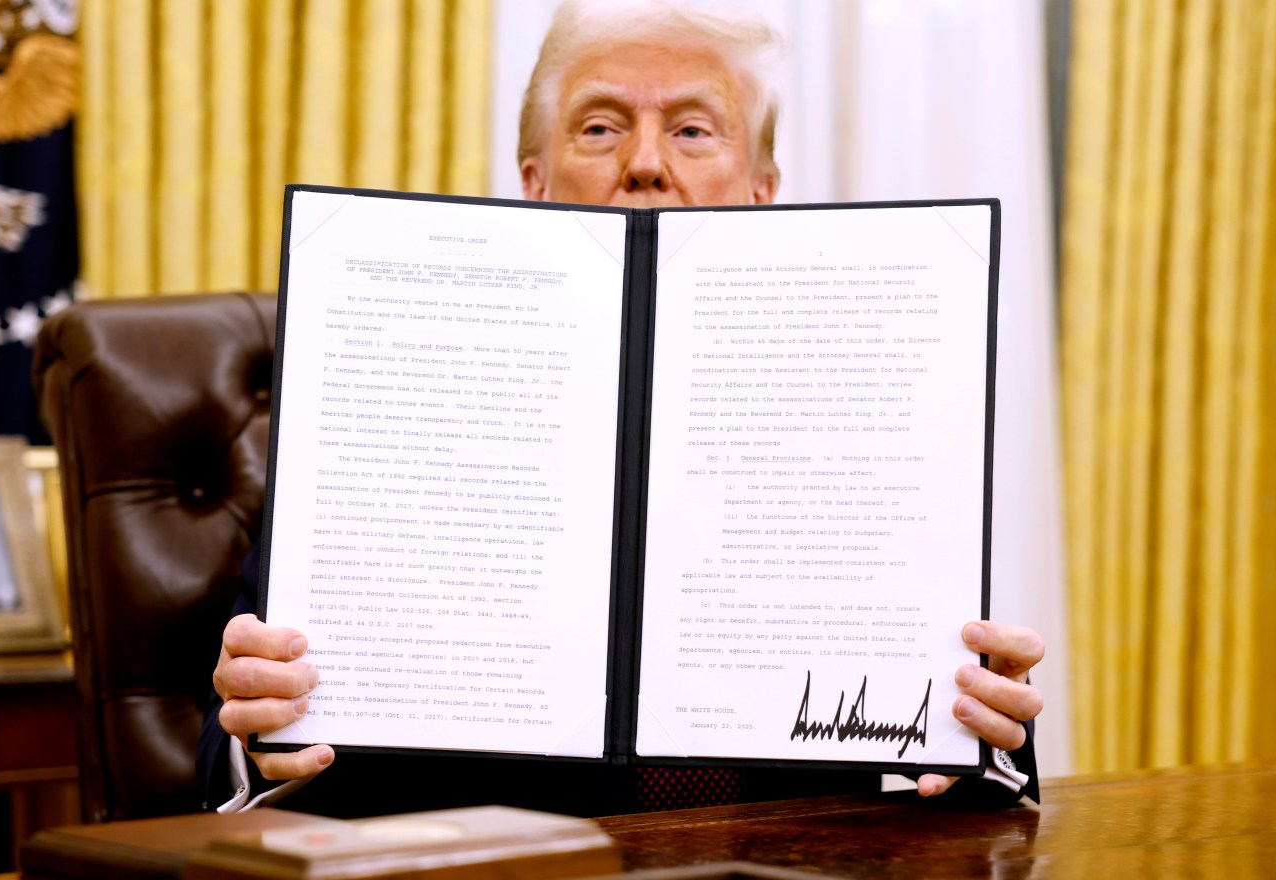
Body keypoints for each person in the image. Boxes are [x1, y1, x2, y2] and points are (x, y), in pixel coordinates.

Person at [199, 0, 1044, 815]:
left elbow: (962, 785)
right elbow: (229, 758)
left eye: (691, 129)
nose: (644, 162)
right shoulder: (394, 404)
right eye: (600, 126)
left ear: (761, 188)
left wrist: (986, 741)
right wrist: (262, 736)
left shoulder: (878, 424)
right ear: (534, 182)